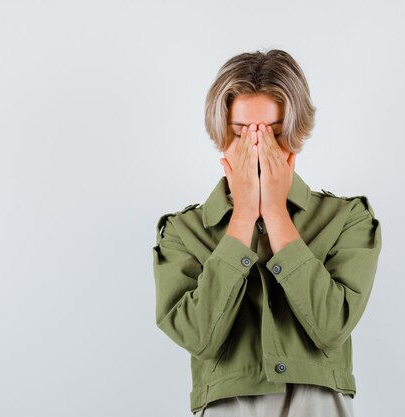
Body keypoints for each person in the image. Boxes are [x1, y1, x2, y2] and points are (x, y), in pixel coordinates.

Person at [152, 49, 382, 417]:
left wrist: (275, 212)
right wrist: (243, 213)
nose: (257, 148)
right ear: (221, 133)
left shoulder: (347, 219)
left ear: (295, 134)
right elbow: (198, 337)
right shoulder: (183, 231)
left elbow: (331, 327)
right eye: (242, 133)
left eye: (273, 133)